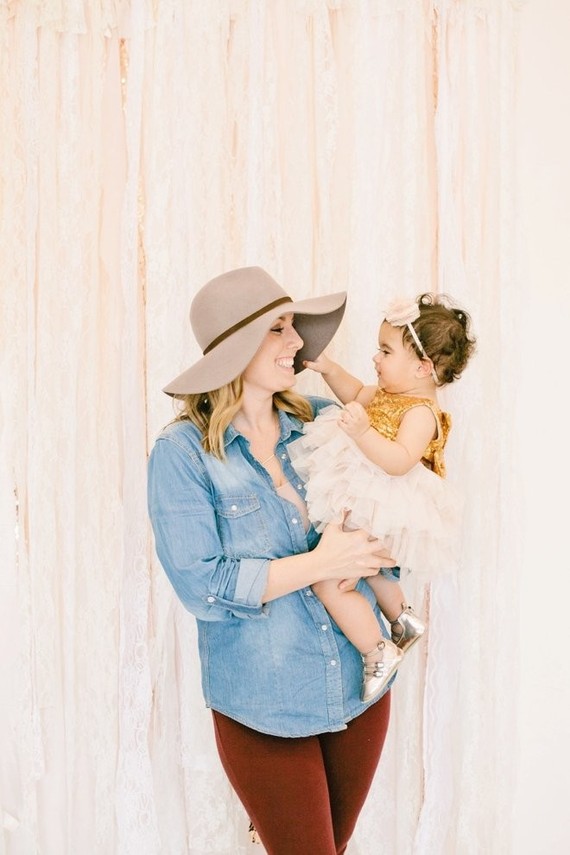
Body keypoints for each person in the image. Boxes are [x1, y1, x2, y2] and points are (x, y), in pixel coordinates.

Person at [147, 266, 398, 855]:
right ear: (236, 350)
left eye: (293, 327)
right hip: (264, 704)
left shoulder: (321, 421)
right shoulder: (182, 454)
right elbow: (201, 586)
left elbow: (387, 504)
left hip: (359, 693)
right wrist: (320, 562)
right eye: (279, 330)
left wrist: (384, 546)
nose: (298, 343)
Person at [288, 293, 476, 703]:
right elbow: (355, 391)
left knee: (331, 579)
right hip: (372, 497)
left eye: (386, 351)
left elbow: (399, 462)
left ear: (422, 367)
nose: (376, 358)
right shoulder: (392, 394)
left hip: (391, 501)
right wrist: (329, 370)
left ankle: (376, 651)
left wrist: (361, 433)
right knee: (364, 562)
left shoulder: (422, 413)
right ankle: (402, 618)